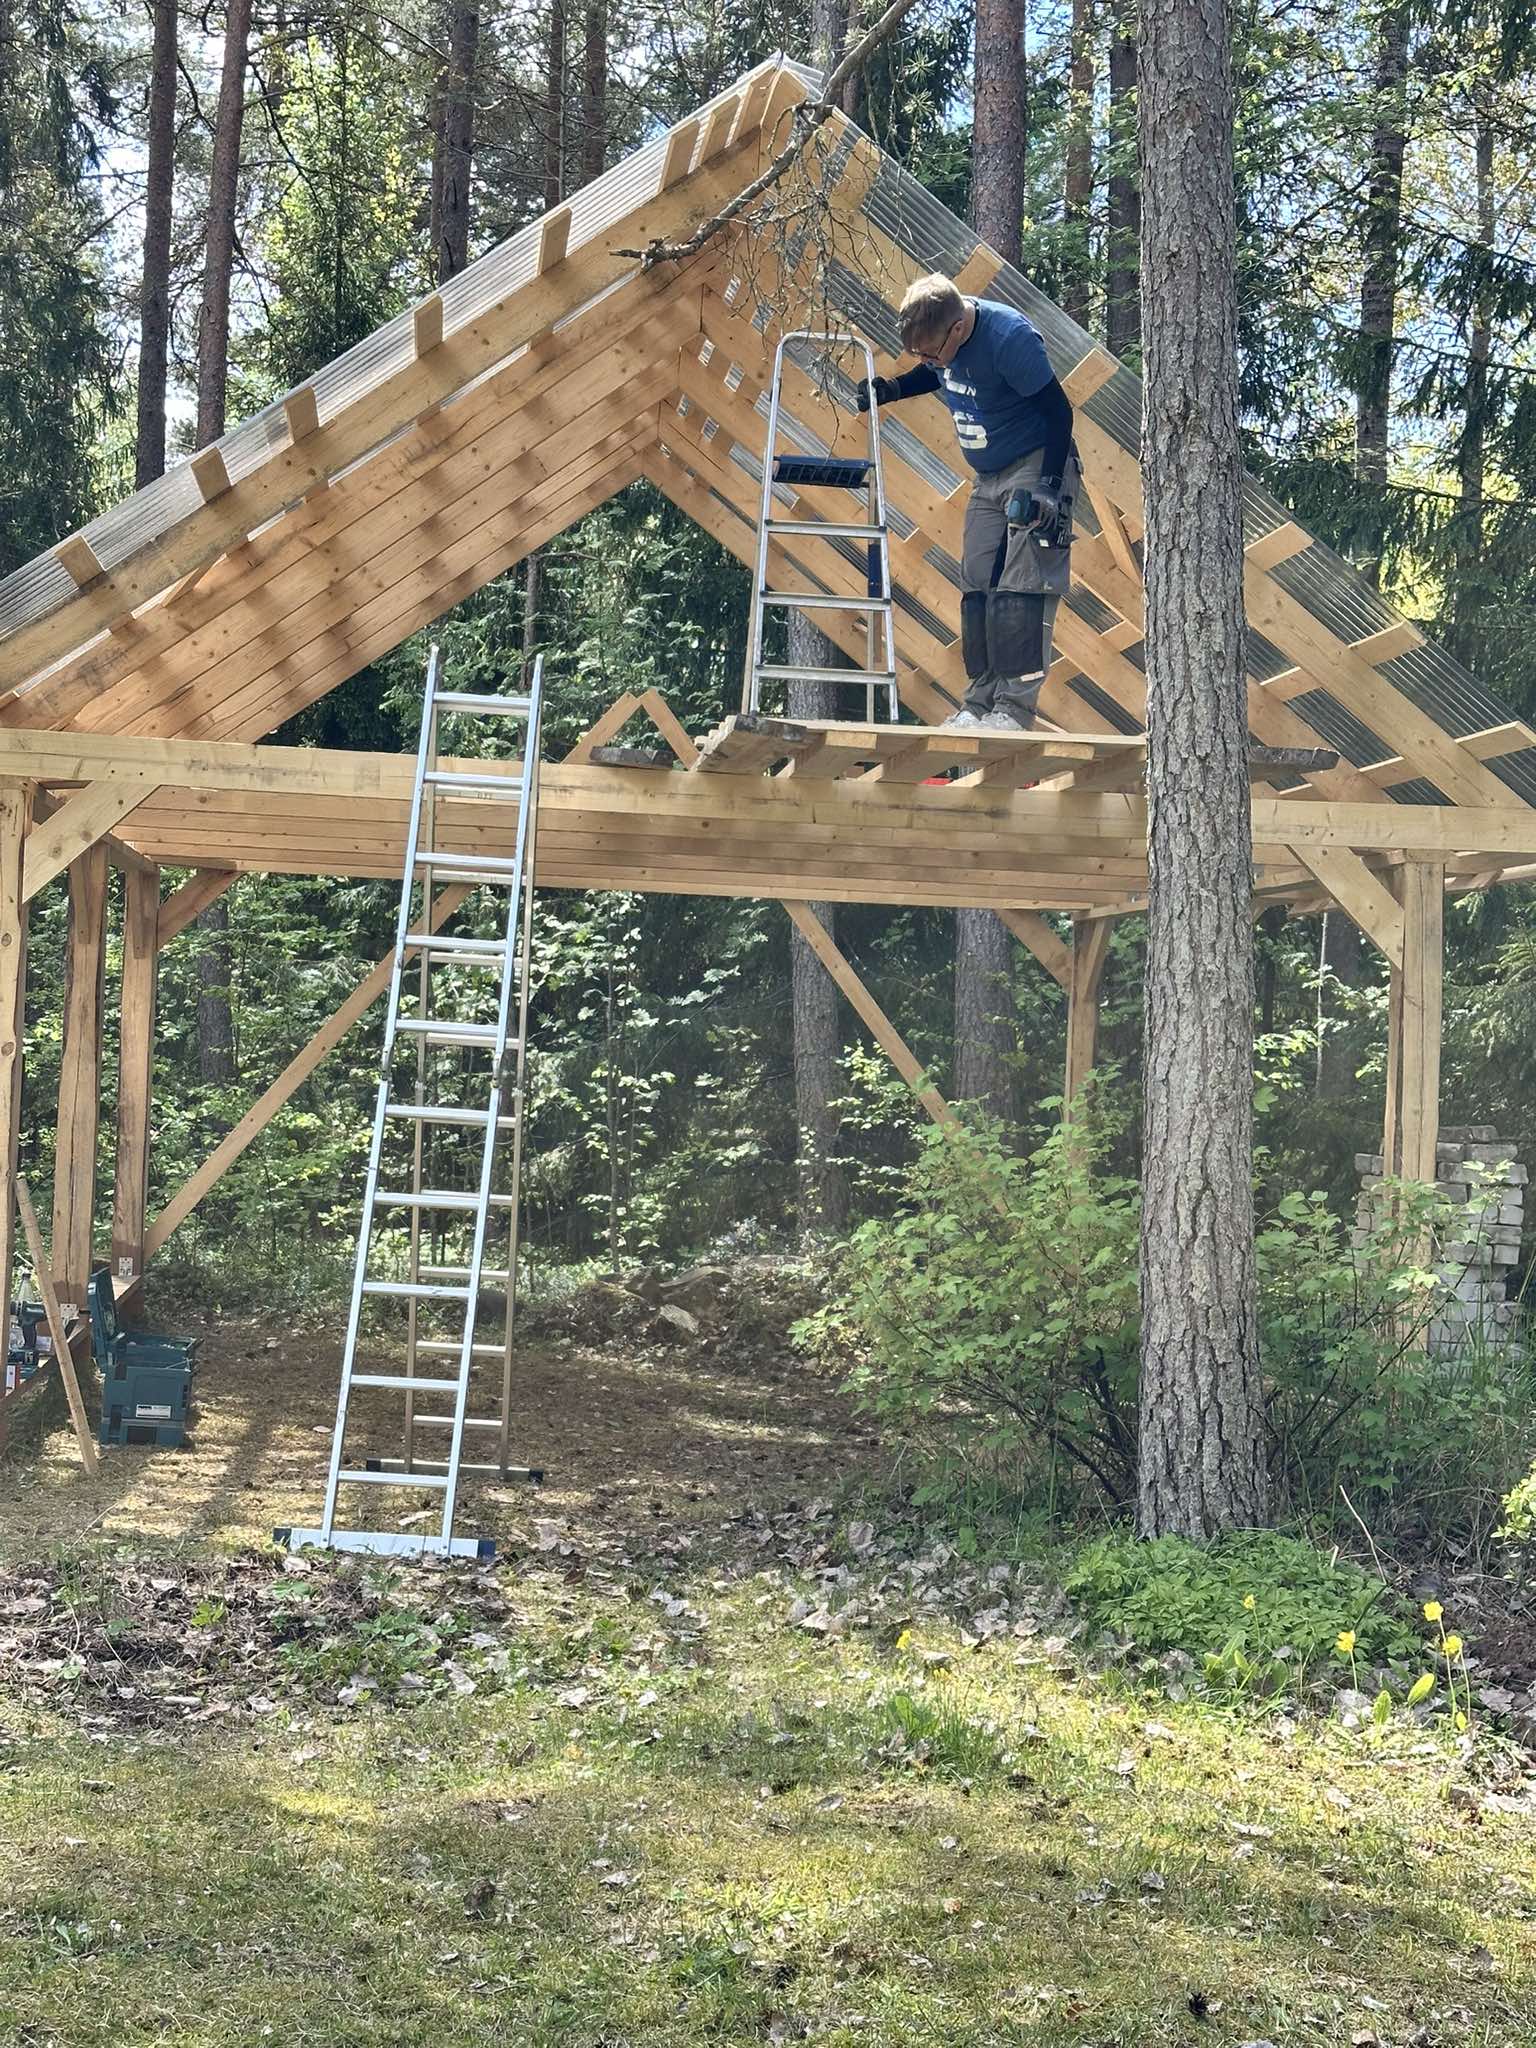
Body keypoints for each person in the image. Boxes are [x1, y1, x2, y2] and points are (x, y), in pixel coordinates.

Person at [857, 273, 1078, 731]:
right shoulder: (942, 332)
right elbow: (935, 372)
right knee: (978, 587)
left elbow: (1059, 412)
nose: (927, 361)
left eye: (930, 352)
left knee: (1021, 589)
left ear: (958, 328)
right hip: (988, 476)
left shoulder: (1009, 340)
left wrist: (1048, 487)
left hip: (1035, 463)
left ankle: (1013, 711)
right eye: (919, 354)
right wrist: (891, 389)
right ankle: (978, 706)